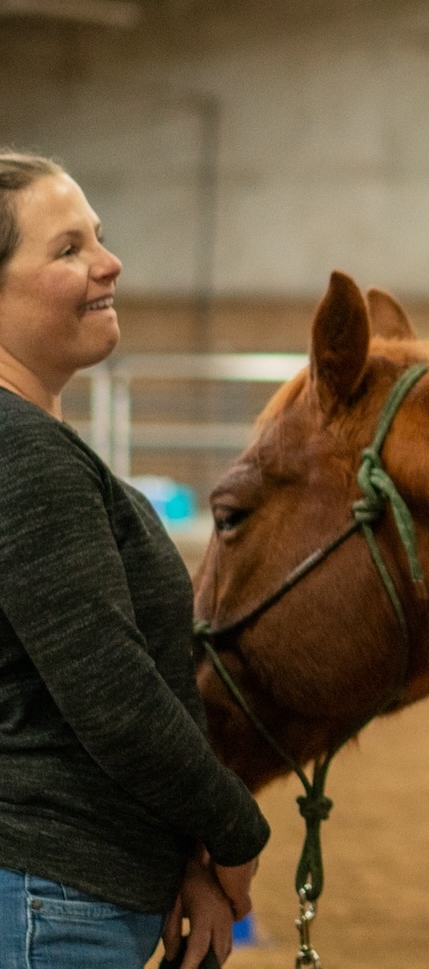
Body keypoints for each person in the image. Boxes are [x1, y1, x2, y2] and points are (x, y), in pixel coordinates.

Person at [0, 152, 268, 968]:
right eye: (68, 249)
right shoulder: (26, 458)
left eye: (100, 240)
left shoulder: (34, 447)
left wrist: (178, 856)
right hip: (48, 899)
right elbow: (113, 694)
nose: (110, 263)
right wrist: (233, 828)